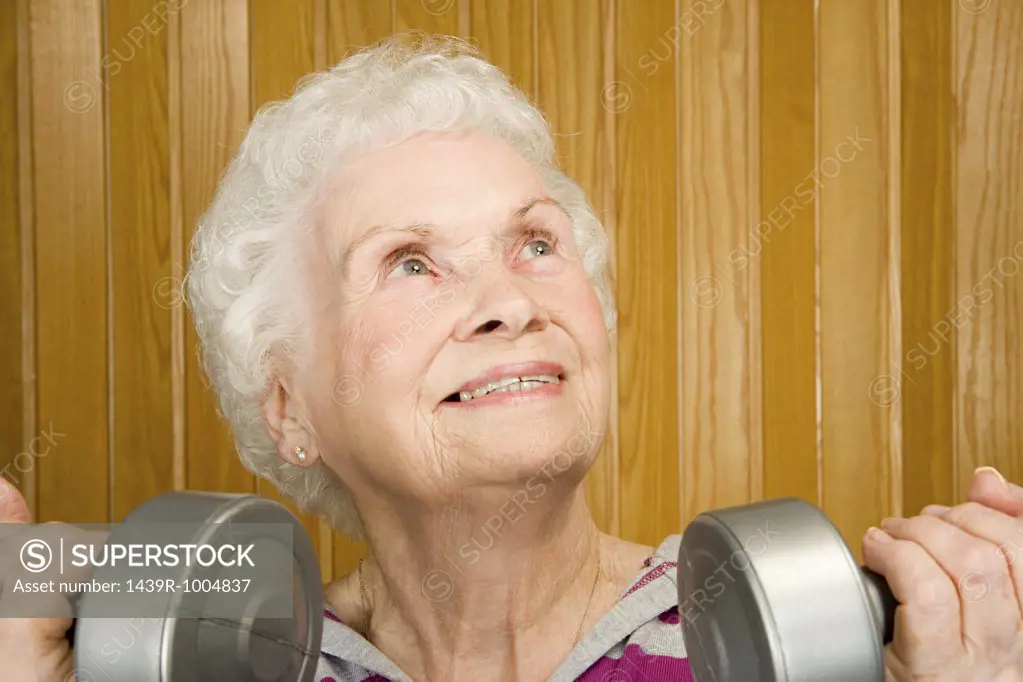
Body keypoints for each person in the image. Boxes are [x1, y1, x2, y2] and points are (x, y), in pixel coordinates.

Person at [2, 33, 1022, 682]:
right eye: (409, 262)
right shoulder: (224, 667)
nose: (508, 302)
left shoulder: (786, 648)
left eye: (535, 244)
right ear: (289, 404)